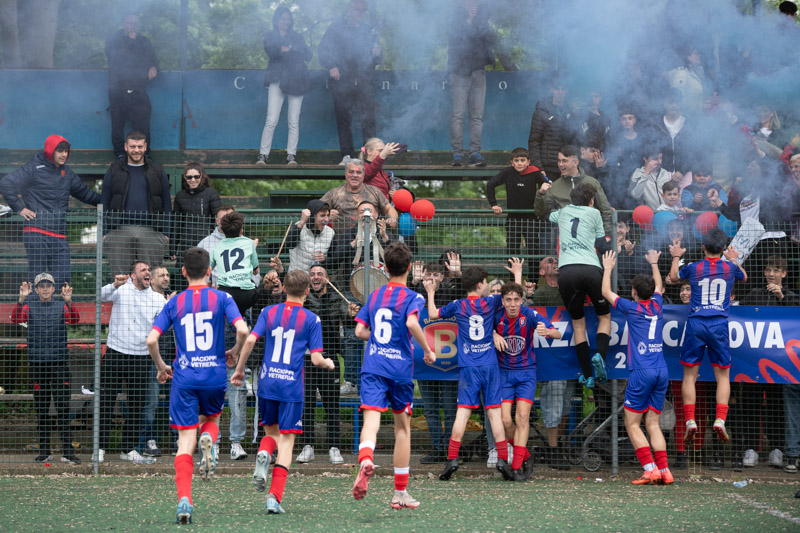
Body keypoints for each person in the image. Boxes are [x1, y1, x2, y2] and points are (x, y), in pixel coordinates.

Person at [146, 247, 249, 524]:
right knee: (211, 418)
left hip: (184, 377)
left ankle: (185, 501)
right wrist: (234, 351)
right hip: (213, 374)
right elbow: (242, 330)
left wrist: (162, 367)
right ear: (209, 271)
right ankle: (210, 441)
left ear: (183, 272)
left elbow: (151, 340)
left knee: (184, 441)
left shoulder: (175, 301)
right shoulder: (222, 297)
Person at [231, 270, 335, 515]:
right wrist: (329, 363)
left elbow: (250, 340)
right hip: (291, 388)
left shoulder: (268, 312)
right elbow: (316, 359)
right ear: (307, 291)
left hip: (267, 383)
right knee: (287, 442)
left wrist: (239, 369)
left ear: (284, 288)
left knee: (271, 433)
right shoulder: (312, 319)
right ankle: (274, 498)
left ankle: (264, 451)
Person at [351, 242, 435, 509]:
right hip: (399, 370)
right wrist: (427, 350)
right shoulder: (413, 297)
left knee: (371, 420)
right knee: (402, 429)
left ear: (385, 268)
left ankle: (366, 458)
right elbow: (411, 322)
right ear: (409, 268)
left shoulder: (375, 295)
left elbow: (360, 331)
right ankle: (400, 492)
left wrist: (378, 339)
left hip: (374, 366)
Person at [426, 260, 523, 482]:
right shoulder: (491, 302)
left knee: (462, 412)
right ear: (480, 285)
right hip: (489, 365)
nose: (487, 285)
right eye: (486, 282)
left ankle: (452, 459)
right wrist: (517, 273)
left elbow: (432, 314)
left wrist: (430, 292)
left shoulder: (458, 305)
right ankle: (502, 459)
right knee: (494, 413)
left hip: (468, 368)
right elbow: (514, 296)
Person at [667, 228, 747, 445]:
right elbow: (744, 277)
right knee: (723, 376)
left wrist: (676, 256)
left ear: (703, 247)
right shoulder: (730, 267)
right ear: (723, 248)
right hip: (719, 324)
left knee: (689, 376)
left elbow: (673, 277)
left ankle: (690, 420)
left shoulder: (694, 267)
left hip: (696, 323)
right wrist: (733, 259)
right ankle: (720, 419)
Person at [601, 249, 674, 485]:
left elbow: (605, 292)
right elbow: (659, 285)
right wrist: (654, 263)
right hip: (661, 371)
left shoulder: (632, 307)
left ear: (633, 292)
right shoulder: (658, 304)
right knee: (652, 423)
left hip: (642, 372)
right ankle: (665, 471)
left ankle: (650, 469)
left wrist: (608, 268)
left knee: (632, 423)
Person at [0, 134, 101, 286]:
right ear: (50, 150)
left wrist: (111, 202)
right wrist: (19, 207)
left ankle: (57, 303)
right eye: (60, 151)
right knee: (37, 281)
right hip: (36, 232)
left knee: (63, 281)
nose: (64, 155)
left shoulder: (67, 173)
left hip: (59, 235)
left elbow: (86, 194)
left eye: (66, 151)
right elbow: (6, 183)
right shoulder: (33, 168)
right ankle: (33, 302)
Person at [492, 281, 561, 481]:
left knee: (522, 417)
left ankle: (516, 467)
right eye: (508, 300)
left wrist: (549, 332)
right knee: (505, 420)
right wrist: (493, 334)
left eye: (516, 300)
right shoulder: (496, 317)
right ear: (502, 301)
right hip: (504, 374)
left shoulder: (529, 315)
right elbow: (481, 332)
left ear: (521, 300)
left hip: (526, 373)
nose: (512, 304)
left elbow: (557, 333)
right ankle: (526, 455)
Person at [99, 260, 166, 463]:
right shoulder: (120, 290)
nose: (147, 272)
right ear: (133, 275)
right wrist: (114, 285)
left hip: (141, 357)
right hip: (116, 352)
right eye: (142, 270)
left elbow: (167, 320)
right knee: (106, 402)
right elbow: (99, 296)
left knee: (137, 405)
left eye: (149, 270)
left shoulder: (157, 298)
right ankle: (99, 447)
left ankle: (128, 449)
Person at [11, 273, 81, 464]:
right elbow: (16, 319)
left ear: (53, 288)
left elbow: (75, 319)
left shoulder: (62, 306)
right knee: (42, 409)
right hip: (37, 363)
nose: (45, 289)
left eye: (48, 285)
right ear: (35, 289)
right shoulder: (28, 305)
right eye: (41, 286)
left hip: (59, 363)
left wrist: (69, 301)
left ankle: (67, 452)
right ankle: (45, 451)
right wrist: (21, 299)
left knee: (63, 409)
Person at [548, 183, 612, 389]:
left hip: (567, 271)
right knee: (604, 316)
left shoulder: (564, 211)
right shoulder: (594, 213)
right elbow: (601, 244)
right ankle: (600, 356)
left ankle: (587, 375)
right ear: (591, 201)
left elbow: (550, 216)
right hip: (590, 268)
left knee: (578, 323)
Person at [295, 263, 356, 465]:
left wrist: (351, 314)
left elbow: (349, 322)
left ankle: (334, 447)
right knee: (307, 405)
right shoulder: (303, 299)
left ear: (326, 279)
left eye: (320, 274)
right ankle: (308, 446)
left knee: (332, 405)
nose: (315, 277)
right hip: (307, 358)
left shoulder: (336, 297)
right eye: (312, 274)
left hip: (330, 359)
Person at [318, 0, 382, 165]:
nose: (360, 13)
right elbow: (322, 50)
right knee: (344, 119)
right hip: (342, 80)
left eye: (363, 11)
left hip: (364, 80)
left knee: (368, 120)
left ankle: (370, 158)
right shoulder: (336, 28)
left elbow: (377, 59)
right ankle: (346, 155)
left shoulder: (368, 31)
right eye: (357, 10)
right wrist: (331, 65)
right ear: (349, 9)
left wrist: (377, 53)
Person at [410, 260, 461, 464]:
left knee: (450, 408)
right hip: (425, 362)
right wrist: (414, 282)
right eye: (427, 275)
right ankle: (437, 448)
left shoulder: (450, 293)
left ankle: (451, 448)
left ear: (443, 277)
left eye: (436, 275)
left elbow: (464, 295)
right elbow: (405, 305)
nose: (431, 279)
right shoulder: (416, 294)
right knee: (430, 408)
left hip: (449, 364)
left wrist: (458, 274)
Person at [101, 130, 171, 277]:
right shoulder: (114, 170)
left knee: (150, 278)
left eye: (140, 146)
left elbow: (166, 203)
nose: (136, 150)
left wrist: (165, 233)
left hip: (151, 230)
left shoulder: (157, 170)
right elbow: (105, 202)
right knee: (120, 279)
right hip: (119, 229)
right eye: (133, 146)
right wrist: (105, 232)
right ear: (126, 147)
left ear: (145, 147)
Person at [256, 6, 312, 166]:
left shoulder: (297, 37)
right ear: (276, 20)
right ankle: (263, 155)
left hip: (296, 80)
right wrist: (290, 51)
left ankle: (291, 155)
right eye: (282, 18)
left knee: (293, 120)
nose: (286, 21)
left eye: (288, 18)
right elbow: (272, 52)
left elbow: (308, 55)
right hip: (277, 79)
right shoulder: (270, 36)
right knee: (271, 118)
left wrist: (289, 49)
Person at [447, 0, 498, 167]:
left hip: (479, 72)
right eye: (470, 4)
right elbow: (456, 43)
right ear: (462, 5)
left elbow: (493, 39)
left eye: (475, 4)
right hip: (460, 73)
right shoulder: (454, 23)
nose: (474, 6)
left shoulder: (481, 22)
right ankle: (457, 153)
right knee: (458, 114)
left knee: (477, 116)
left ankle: (475, 152)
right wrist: (468, 20)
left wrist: (482, 26)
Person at [486, 147, 547, 278]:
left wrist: (544, 188)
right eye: (516, 160)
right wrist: (494, 204)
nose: (519, 163)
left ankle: (533, 282)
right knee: (512, 251)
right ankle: (513, 282)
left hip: (531, 219)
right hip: (513, 219)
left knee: (533, 251)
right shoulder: (507, 172)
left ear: (528, 162)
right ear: (512, 162)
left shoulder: (535, 172)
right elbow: (490, 184)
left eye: (522, 160)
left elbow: (548, 185)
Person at [105, 13, 159, 159]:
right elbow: (113, 58)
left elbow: (152, 59)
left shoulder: (144, 41)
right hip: (117, 89)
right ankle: (119, 153)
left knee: (143, 124)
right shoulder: (114, 40)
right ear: (124, 24)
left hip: (138, 88)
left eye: (135, 23)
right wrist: (130, 41)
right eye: (130, 23)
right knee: (117, 124)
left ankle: (144, 153)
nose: (132, 26)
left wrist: (154, 67)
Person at [534, 145, 613, 235]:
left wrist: (607, 234)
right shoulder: (554, 187)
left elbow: (605, 209)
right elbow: (541, 213)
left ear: (575, 162)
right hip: (565, 237)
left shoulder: (592, 182)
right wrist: (540, 194)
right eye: (559, 161)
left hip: (591, 235)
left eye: (564, 161)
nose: (560, 164)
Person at [140, 265, 174, 458]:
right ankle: (149, 440)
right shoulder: (145, 299)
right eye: (161, 275)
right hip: (153, 358)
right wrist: (167, 306)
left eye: (167, 275)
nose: (166, 278)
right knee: (151, 401)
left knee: (175, 400)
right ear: (151, 279)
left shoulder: (173, 298)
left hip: (172, 355)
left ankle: (178, 440)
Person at [321, 158, 398, 237]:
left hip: (371, 240)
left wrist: (393, 219)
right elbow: (317, 211)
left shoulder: (374, 191)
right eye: (351, 172)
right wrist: (328, 215)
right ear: (345, 174)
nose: (355, 175)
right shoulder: (334, 193)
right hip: (343, 241)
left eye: (358, 172)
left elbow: (389, 208)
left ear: (363, 175)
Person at [210, 211, 260, 317]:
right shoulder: (249, 243)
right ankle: (244, 319)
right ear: (241, 230)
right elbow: (256, 271)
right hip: (247, 295)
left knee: (223, 298)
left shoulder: (217, 247)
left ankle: (232, 319)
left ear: (223, 230)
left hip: (226, 293)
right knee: (254, 287)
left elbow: (208, 269)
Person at [171, 163, 221, 267]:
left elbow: (218, 220)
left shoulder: (211, 193)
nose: (193, 180)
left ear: (202, 176)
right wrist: (173, 248)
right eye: (189, 177)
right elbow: (176, 224)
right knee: (184, 272)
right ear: (185, 178)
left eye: (196, 176)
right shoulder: (180, 196)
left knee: (205, 270)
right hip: (185, 242)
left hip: (207, 241)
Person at [528, 76, 577, 181]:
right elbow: (534, 142)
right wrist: (538, 168)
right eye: (557, 89)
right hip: (548, 168)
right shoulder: (541, 111)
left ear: (567, 91)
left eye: (563, 89)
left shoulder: (572, 111)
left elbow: (575, 140)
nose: (560, 92)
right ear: (551, 89)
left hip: (568, 165)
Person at [285, 199, 335, 273]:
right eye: (322, 216)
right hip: (297, 276)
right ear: (312, 216)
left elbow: (334, 263)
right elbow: (288, 245)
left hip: (317, 277)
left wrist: (324, 260)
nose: (326, 219)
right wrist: (301, 223)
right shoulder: (298, 226)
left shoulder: (330, 232)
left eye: (328, 215)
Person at [630, 146, 682, 211]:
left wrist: (679, 179)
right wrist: (646, 173)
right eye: (655, 159)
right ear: (645, 159)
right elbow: (635, 195)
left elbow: (676, 196)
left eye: (661, 158)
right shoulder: (637, 174)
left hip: (667, 214)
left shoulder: (666, 173)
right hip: (649, 215)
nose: (659, 162)